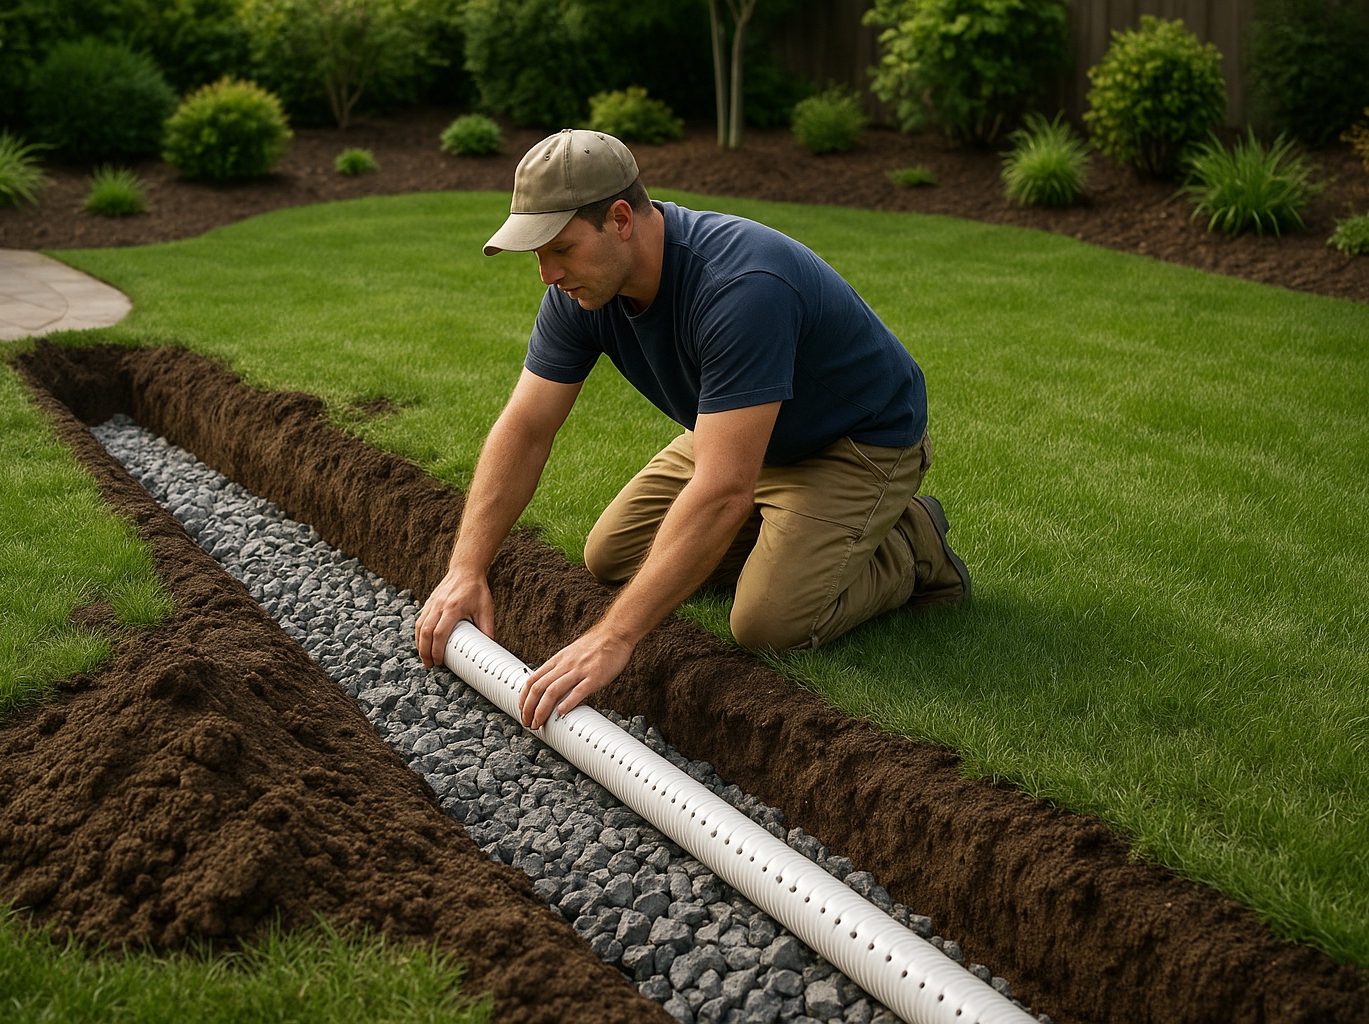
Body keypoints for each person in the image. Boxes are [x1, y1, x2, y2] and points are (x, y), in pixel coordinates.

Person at [415, 128, 970, 730]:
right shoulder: (581, 296)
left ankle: (913, 542)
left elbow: (725, 488)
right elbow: (525, 429)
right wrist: (466, 568)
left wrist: (613, 637)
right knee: (611, 555)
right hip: (738, 430)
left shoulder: (739, 287)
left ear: (621, 219)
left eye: (560, 248)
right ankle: (784, 531)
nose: (547, 273)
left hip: (852, 442)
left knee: (767, 624)